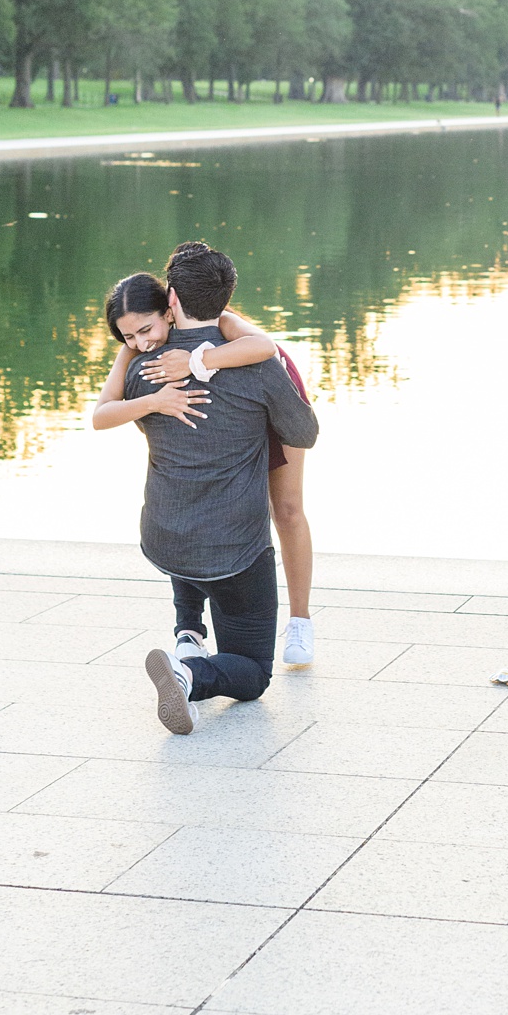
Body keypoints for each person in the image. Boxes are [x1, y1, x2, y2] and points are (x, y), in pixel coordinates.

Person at [90, 242, 319, 734]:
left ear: (169, 301)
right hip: (233, 548)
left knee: (189, 510)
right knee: (253, 672)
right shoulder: (255, 363)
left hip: (164, 536)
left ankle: (188, 631)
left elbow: (114, 416)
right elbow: (303, 432)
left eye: (145, 328)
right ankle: (187, 672)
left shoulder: (137, 366)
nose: (141, 339)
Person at [119, 283, 320, 668]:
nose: (140, 339)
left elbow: (265, 348)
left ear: (172, 298)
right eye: (133, 335)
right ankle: (190, 629)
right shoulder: (149, 336)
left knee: (288, 509)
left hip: (266, 388)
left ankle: (300, 619)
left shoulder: (226, 323)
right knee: (193, 491)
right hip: (220, 419)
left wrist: (199, 362)